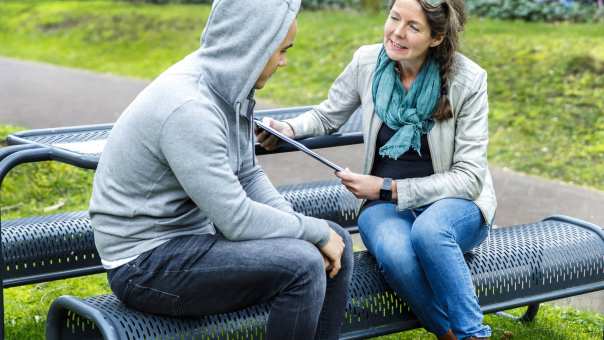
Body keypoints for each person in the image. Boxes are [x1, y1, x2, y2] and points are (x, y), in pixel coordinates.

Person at [89, 0, 353, 339]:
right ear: (254, 45)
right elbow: (236, 219)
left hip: (191, 242)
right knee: (302, 264)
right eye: (282, 51)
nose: (284, 62)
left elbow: (247, 174)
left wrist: (302, 228)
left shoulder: (228, 83)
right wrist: (310, 232)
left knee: (336, 240)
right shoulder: (190, 108)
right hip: (143, 266)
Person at [257, 0, 496, 339]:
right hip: (383, 205)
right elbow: (328, 115)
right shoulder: (367, 62)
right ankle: (451, 335)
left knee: (429, 232)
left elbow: (469, 178)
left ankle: (474, 334)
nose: (397, 32)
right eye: (394, 18)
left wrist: (386, 188)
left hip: (455, 201)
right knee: (399, 254)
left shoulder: (467, 79)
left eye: (413, 27)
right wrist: (288, 128)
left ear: (437, 37)